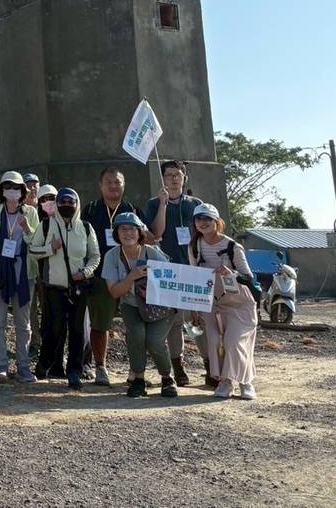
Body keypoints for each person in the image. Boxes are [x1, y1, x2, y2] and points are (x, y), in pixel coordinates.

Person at [142, 160, 207, 387]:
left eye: (177, 174)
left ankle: (210, 364)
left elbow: (204, 234)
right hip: (167, 270)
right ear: (163, 179)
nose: (174, 179)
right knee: (174, 322)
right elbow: (155, 233)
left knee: (198, 319)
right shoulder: (153, 204)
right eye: (169, 175)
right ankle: (177, 365)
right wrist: (163, 204)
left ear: (184, 178)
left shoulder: (195, 204)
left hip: (193, 269)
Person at [29, 187, 100, 389]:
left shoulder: (85, 227)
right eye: (62, 202)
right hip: (54, 287)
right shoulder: (46, 225)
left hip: (78, 287)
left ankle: (74, 371)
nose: (66, 205)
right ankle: (45, 363)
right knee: (54, 330)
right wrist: (50, 248)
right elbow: (33, 250)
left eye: (71, 202)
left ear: (77, 204)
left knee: (77, 331)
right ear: (57, 204)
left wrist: (85, 272)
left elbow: (95, 255)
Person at [101, 212, 178, 398]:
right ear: (116, 233)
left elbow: (171, 280)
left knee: (154, 341)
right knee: (136, 335)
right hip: (131, 305)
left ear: (139, 232)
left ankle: (167, 378)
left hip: (159, 306)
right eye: (123, 229)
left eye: (132, 229)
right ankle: (138, 379)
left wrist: (151, 288)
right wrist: (131, 277)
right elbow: (115, 292)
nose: (128, 233)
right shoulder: (112, 256)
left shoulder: (153, 253)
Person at [188, 204, 258, 400]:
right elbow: (194, 276)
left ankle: (245, 381)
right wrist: (194, 308)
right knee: (215, 343)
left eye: (207, 219)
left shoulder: (232, 246)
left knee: (234, 341)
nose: (203, 223)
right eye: (199, 219)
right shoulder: (194, 246)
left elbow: (248, 277)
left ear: (217, 222)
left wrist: (230, 273)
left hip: (238, 301)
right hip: (212, 301)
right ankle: (225, 382)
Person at [0, 171, 37, 382]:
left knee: (23, 322)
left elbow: (35, 242)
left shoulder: (30, 212)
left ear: (23, 191)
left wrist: (27, 227)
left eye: (16, 187)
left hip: (24, 271)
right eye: (8, 187)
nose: (12, 191)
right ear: (2, 190)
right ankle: (1, 366)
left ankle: (23, 366)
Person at [80, 168, 135, 386]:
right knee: (100, 323)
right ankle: (100, 367)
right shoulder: (91, 209)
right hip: (101, 274)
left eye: (117, 182)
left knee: (135, 324)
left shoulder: (132, 210)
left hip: (130, 275)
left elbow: (147, 237)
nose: (113, 186)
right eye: (108, 182)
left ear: (124, 184)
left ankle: (136, 369)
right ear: (100, 185)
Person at [28, 184, 58, 362]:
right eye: (44, 199)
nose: (48, 202)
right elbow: (32, 246)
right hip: (35, 270)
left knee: (51, 311)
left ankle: (50, 346)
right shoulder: (35, 218)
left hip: (55, 274)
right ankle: (35, 343)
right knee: (31, 309)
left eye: (51, 198)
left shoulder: (65, 219)